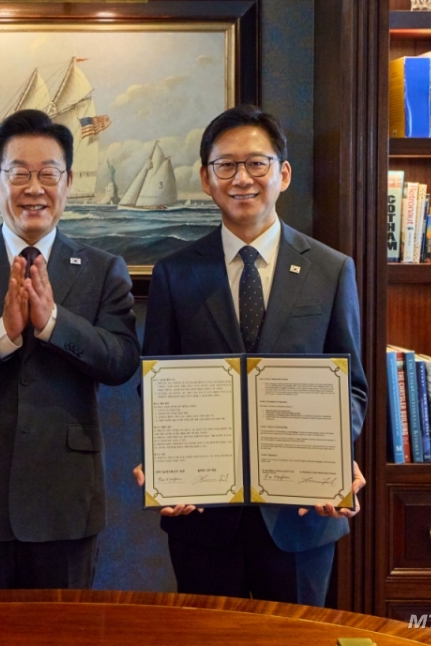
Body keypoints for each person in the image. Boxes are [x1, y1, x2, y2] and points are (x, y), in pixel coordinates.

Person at [137, 104, 368, 607]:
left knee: (293, 640)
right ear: (206, 179)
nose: (242, 178)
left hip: (301, 514)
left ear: (283, 173)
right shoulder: (175, 273)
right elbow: (155, 386)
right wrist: (161, 459)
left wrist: (332, 453)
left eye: (256, 163)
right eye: (226, 165)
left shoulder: (331, 270)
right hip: (202, 515)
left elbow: (352, 387)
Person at [0, 108, 141, 591]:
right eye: (19, 173)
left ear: (68, 182)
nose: (34, 188)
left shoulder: (104, 268)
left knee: (62, 630)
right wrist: (3, 332)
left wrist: (54, 323)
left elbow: (121, 361)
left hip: (66, 501)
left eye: (48, 174)